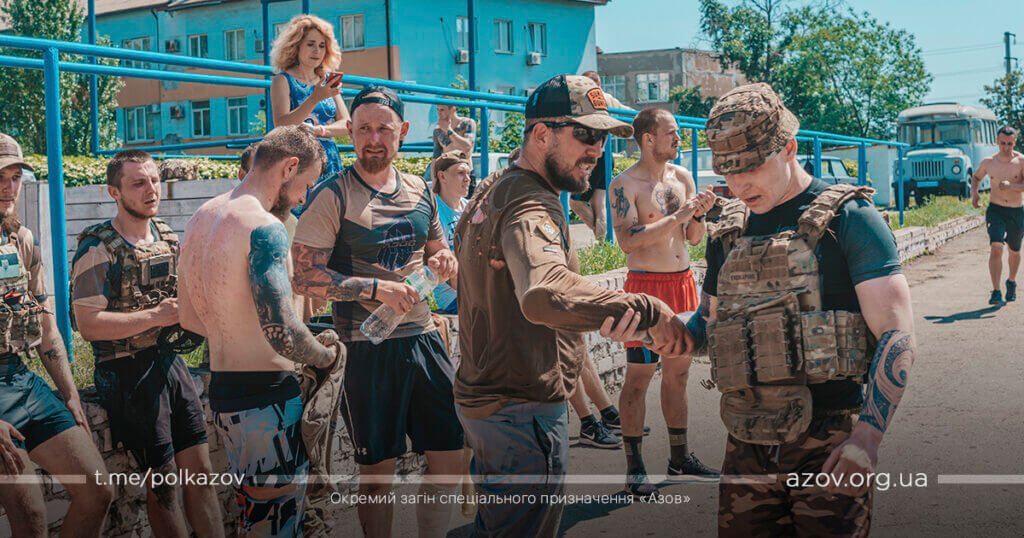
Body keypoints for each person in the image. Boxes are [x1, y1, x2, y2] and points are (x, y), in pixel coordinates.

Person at [453, 74, 691, 536]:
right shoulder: (530, 203)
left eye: (603, 138)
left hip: (492, 402)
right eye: (585, 135)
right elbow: (545, 292)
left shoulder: (498, 186)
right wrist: (649, 311)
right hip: (520, 411)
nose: (597, 150)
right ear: (542, 134)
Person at [692, 83, 916, 536]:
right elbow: (707, 326)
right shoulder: (729, 231)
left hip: (828, 445)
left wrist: (867, 438)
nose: (738, 184)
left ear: (790, 148)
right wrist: (665, 330)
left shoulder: (850, 218)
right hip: (746, 445)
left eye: (751, 166)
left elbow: (897, 335)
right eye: (728, 171)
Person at [291, 86, 463, 538]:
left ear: (401, 131)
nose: (373, 139)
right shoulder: (332, 194)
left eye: (383, 129)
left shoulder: (420, 189)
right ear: (349, 131)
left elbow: (437, 250)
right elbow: (303, 277)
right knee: (377, 474)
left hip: (424, 337)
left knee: (450, 454)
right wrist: (375, 288)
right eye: (363, 128)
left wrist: (445, 261)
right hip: (365, 346)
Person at [177, 125, 343, 537]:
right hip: (267, 398)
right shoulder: (262, 226)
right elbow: (282, 331)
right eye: (307, 183)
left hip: (224, 393)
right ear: (289, 167)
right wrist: (326, 357)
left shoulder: (202, 217)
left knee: (256, 516)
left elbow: (189, 319)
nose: (306, 196)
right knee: (277, 521)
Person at [70, 149, 223, 538]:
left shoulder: (167, 237)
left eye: (154, 180)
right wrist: (157, 316)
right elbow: (88, 325)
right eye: (138, 183)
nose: (151, 190)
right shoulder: (97, 248)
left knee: (201, 474)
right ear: (114, 192)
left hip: (169, 362)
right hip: (125, 372)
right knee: (164, 486)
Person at [0, 132, 114, 536]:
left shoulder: (21, 239)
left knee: (98, 491)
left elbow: (47, 326)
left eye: (15, 177)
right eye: (0, 177)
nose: (9, 187)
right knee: (31, 515)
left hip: (20, 378)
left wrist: (70, 395)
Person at [608, 107, 719, 494]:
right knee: (638, 378)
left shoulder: (683, 177)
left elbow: (692, 239)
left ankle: (679, 458)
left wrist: (698, 216)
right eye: (671, 132)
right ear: (648, 138)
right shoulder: (624, 184)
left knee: (679, 374)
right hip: (645, 291)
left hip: (683, 283)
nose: (678, 137)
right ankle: (635, 467)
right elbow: (627, 241)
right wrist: (678, 215)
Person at [269, 14, 350, 197]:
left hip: (330, 160)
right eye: (311, 44)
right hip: (299, 162)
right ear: (296, 46)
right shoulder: (282, 80)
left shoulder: (326, 80)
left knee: (332, 211)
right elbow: (281, 125)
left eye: (322, 46)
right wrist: (314, 98)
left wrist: (319, 130)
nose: (317, 51)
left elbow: (347, 124)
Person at [568, 70, 633, 242]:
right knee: (599, 203)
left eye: (587, 83)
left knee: (575, 202)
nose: (585, 87)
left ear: (597, 84)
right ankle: (605, 243)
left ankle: (603, 239)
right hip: (606, 155)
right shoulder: (608, 98)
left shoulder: (587, 97)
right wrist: (646, 117)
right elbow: (627, 111)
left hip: (593, 156)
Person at [971, 125, 1024, 304]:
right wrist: (975, 194)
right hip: (996, 210)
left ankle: (1011, 281)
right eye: (1003, 143)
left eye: (1010, 143)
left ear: (1014, 142)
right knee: (996, 247)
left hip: (1016, 211)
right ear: (997, 142)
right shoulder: (989, 162)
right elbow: (976, 178)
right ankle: (996, 291)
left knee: (1014, 251)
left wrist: (1012, 186)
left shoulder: (1021, 161)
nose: (1006, 147)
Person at [430, 150, 471, 314]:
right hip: (453, 297)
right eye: (461, 173)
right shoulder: (434, 212)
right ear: (442, 176)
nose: (467, 179)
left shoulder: (470, 207)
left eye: (468, 173)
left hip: (475, 289)